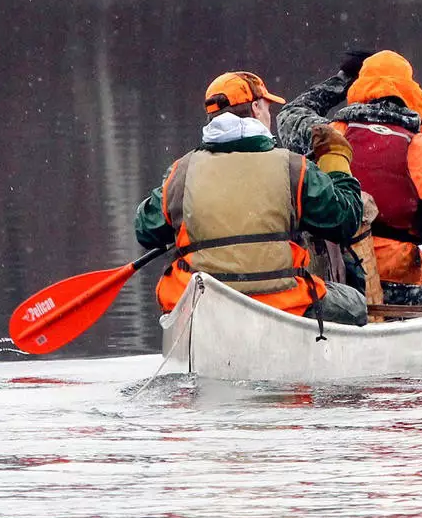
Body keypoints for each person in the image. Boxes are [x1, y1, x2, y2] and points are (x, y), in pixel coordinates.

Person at [134, 70, 373, 326]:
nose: (269, 115)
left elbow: (146, 231)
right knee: (355, 305)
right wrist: (336, 162)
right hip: (283, 303)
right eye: (267, 107)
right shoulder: (293, 168)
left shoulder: (181, 173)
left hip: (204, 304)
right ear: (256, 108)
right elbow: (345, 220)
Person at [277, 49, 422, 312]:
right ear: (411, 92)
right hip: (401, 286)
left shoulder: (328, 135)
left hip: (338, 279)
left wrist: (342, 79)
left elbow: (290, 114)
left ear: (359, 89)